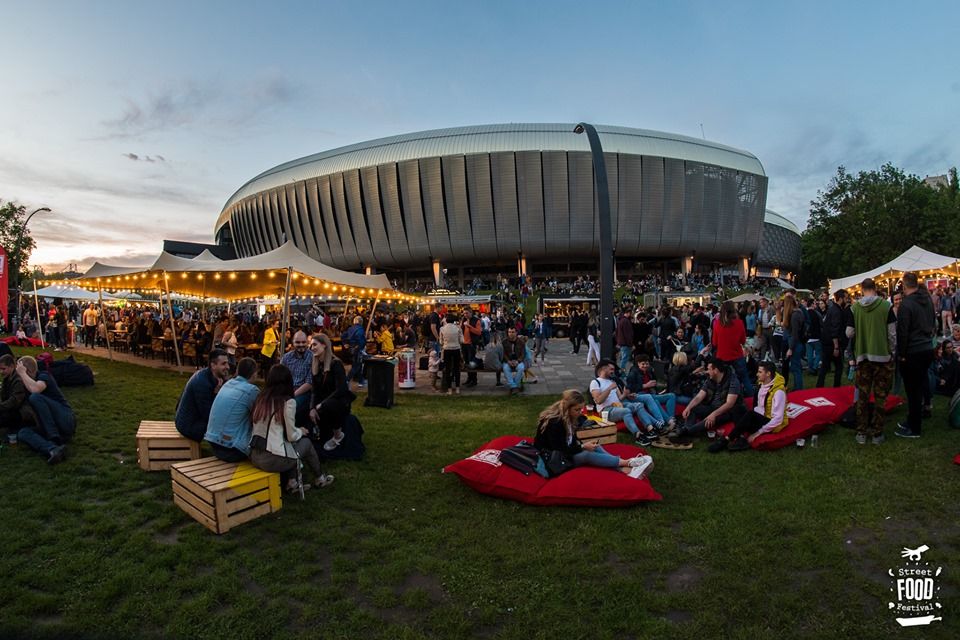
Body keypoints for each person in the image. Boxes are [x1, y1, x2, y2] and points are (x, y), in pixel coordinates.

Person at [249, 365, 333, 494]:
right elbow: (291, 436)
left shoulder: (261, 398)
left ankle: (292, 483)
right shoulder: (288, 402)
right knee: (305, 443)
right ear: (289, 380)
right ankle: (320, 478)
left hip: (255, 456)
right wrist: (301, 431)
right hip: (272, 460)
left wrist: (296, 431)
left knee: (290, 446)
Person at [533, 389, 653, 479]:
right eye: (577, 410)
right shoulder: (554, 423)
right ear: (566, 408)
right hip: (552, 458)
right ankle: (628, 463)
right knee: (586, 454)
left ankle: (623, 468)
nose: (580, 412)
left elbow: (571, 441)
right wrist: (582, 447)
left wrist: (583, 445)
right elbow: (559, 449)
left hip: (564, 451)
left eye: (581, 409)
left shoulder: (569, 418)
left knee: (595, 446)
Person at [846, 278, 896, 445]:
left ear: (861, 289)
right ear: (875, 288)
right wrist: (892, 351)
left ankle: (861, 432)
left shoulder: (854, 308)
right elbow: (892, 334)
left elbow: (849, 333)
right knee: (880, 396)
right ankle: (877, 433)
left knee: (863, 395)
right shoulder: (886, 306)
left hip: (863, 356)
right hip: (882, 357)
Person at [708, 361, 787, 453]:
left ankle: (726, 439)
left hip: (770, 422)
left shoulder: (778, 392)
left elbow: (777, 419)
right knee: (737, 408)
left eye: (760, 372)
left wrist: (758, 433)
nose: (757, 374)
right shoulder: (762, 383)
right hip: (760, 416)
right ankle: (741, 438)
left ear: (768, 374)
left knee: (750, 414)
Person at [895, 272, 937, 438]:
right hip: (927, 347)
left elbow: (903, 331)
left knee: (913, 391)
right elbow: (933, 322)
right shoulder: (927, 299)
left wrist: (902, 354)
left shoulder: (906, 304)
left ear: (905, 285)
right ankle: (913, 418)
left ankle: (914, 428)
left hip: (913, 350)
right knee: (919, 385)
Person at [15, 356, 76, 464]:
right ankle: (52, 449)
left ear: (27, 371)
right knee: (23, 432)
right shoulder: (27, 385)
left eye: (19, 374)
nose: (19, 377)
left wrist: (22, 373)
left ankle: (54, 438)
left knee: (35, 397)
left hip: (65, 420)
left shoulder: (44, 376)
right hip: (51, 426)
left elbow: (36, 390)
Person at [589, 359, 659, 445]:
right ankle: (638, 435)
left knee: (639, 405)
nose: (613, 372)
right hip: (606, 410)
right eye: (611, 369)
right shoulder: (595, 382)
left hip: (618, 405)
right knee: (626, 411)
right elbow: (598, 401)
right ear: (603, 368)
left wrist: (626, 394)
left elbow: (620, 398)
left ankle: (650, 430)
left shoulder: (612, 381)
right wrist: (609, 388)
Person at [675, 358, 747, 440]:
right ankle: (687, 429)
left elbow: (729, 404)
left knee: (710, 419)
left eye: (709, 369)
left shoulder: (733, 381)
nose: (707, 371)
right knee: (693, 408)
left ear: (715, 370)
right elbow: (699, 396)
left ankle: (687, 432)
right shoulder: (710, 379)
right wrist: (688, 407)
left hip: (726, 411)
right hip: (712, 407)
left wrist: (713, 414)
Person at [204, 357, 260, 461]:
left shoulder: (228, 383)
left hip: (213, 442)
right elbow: (260, 417)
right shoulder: (252, 390)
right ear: (254, 374)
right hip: (232, 449)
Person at [307, 333, 355, 451]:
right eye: (311, 345)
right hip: (324, 399)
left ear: (324, 345)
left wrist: (322, 404)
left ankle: (338, 436)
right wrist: (312, 408)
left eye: (314, 345)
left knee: (326, 406)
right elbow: (314, 390)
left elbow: (341, 389)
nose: (312, 348)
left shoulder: (336, 363)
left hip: (339, 400)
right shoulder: (316, 365)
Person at [174, 349, 230, 442]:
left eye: (227, 363)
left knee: (226, 423)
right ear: (213, 365)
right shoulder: (202, 383)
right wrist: (216, 394)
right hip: (188, 426)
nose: (228, 367)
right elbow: (208, 414)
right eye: (223, 364)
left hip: (194, 419)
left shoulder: (215, 376)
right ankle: (228, 448)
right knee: (224, 427)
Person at [712, 300, 753, 397]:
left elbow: (714, 342)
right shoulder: (739, 323)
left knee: (722, 380)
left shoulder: (717, 323)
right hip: (736, 354)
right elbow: (743, 341)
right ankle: (751, 398)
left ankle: (721, 398)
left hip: (722, 356)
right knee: (744, 377)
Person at [280, 331, 314, 426]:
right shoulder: (286, 358)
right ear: (293, 342)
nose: (301, 344)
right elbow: (279, 377)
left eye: (303, 342)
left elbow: (309, 383)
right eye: (298, 342)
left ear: (307, 342)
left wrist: (292, 395)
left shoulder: (312, 357)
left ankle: (292, 430)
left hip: (303, 392)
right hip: (287, 390)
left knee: (290, 407)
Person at [817, 290, 849, 388]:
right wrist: (836, 347)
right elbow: (834, 329)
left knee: (825, 367)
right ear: (840, 299)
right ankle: (835, 387)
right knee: (838, 367)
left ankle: (820, 387)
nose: (847, 300)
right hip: (832, 344)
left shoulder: (832, 309)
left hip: (827, 342)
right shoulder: (837, 311)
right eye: (846, 298)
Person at [0, 354, 30, 437]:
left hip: (22, 412)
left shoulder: (18, 380)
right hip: (13, 409)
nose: (1, 372)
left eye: (3, 369)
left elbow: (15, 401)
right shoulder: (7, 377)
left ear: (12, 366)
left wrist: (1, 407)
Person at [439, 313, 463, 395]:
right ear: (454, 321)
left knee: (448, 369)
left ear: (446, 320)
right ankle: (457, 388)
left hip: (447, 349)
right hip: (456, 349)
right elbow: (462, 340)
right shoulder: (458, 328)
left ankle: (449, 389)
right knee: (457, 369)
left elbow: (440, 342)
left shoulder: (442, 329)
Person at [501, 326, 526, 394]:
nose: (511, 334)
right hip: (507, 361)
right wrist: (508, 361)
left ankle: (514, 385)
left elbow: (523, 354)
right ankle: (514, 386)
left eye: (512, 332)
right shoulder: (504, 342)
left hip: (518, 360)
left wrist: (518, 361)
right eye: (509, 332)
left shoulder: (521, 342)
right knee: (505, 368)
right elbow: (503, 353)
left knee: (521, 368)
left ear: (516, 333)